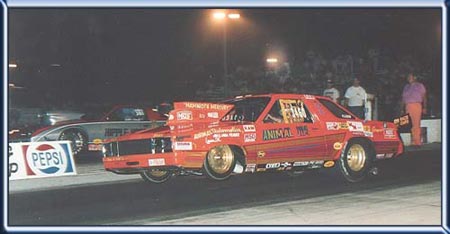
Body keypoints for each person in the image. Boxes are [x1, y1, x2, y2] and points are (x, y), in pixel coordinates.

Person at [401, 73, 427, 147]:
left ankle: (417, 142)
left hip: (416, 105)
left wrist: (424, 107)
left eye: (410, 76)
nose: (408, 78)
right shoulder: (406, 87)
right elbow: (403, 99)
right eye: (408, 77)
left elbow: (424, 97)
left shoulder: (420, 86)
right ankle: (413, 140)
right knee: (410, 124)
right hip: (408, 106)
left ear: (415, 77)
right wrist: (402, 109)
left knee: (416, 123)